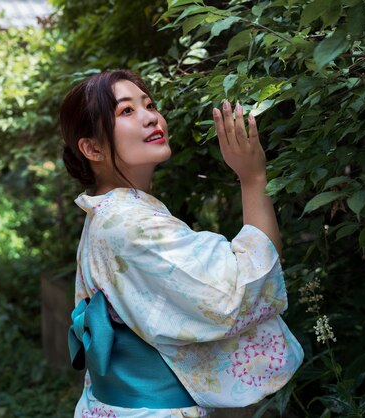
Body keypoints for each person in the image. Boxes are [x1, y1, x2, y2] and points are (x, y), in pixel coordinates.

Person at [60, 70, 304, 418]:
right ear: (92, 147)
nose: (150, 117)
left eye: (149, 105)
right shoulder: (128, 223)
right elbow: (235, 289)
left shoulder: (112, 210)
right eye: (126, 111)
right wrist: (253, 178)